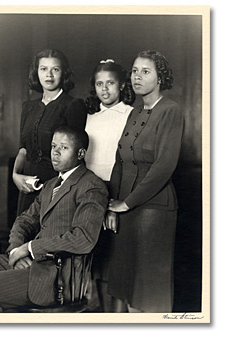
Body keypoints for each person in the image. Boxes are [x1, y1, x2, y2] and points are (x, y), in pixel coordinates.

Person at [0, 126, 108, 313]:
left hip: (56, 275)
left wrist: (30, 248)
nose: (55, 153)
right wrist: (16, 250)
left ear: (81, 153)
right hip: (30, 263)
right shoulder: (50, 185)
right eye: (53, 146)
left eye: (64, 148)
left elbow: (83, 239)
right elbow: (24, 220)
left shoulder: (91, 186)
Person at [106, 50, 184, 313]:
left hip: (154, 210)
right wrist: (112, 206)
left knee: (148, 293)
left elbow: (164, 166)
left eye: (145, 71)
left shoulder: (170, 110)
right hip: (126, 209)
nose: (137, 77)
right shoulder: (135, 112)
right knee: (128, 290)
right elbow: (120, 160)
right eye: (135, 71)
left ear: (160, 78)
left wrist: (126, 204)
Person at [84, 59, 135, 311]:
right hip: (90, 192)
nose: (104, 90)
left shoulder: (131, 115)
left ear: (122, 85)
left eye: (110, 84)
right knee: (94, 257)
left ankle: (118, 316)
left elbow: (128, 164)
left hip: (118, 191)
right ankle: (97, 313)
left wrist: (113, 206)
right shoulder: (90, 116)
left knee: (116, 260)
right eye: (99, 84)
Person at [13, 48, 87, 215]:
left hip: (57, 185)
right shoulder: (28, 107)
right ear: (36, 72)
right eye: (43, 69)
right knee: (23, 232)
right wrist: (16, 175)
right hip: (27, 184)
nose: (49, 75)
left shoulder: (73, 105)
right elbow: (23, 149)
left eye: (55, 69)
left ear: (64, 73)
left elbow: (75, 155)